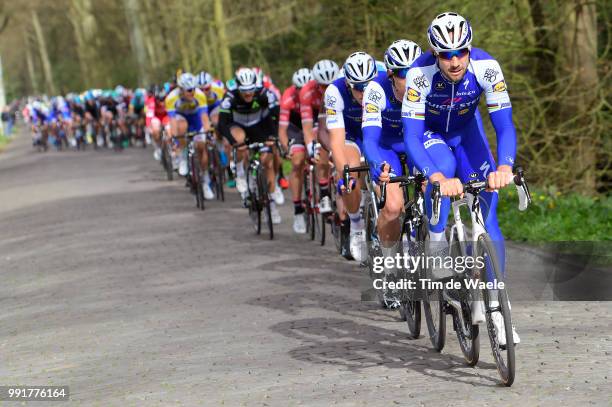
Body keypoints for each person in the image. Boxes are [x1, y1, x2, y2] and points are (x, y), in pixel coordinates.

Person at [402, 12, 519, 345]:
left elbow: (505, 125)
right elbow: (411, 135)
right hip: (430, 135)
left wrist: (505, 166)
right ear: (434, 54)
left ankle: (496, 307)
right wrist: (434, 175)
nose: (454, 61)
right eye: (445, 54)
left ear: (469, 48)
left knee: (488, 217)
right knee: (444, 166)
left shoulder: (487, 67)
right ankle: (436, 238)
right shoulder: (419, 75)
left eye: (460, 52)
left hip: (468, 135)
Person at [361, 39, 422, 306]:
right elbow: (370, 140)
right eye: (402, 73)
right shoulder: (376, 90)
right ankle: (391, 273)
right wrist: (377, 166)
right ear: (390, 74)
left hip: (416, 143)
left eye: (414, 72)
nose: (409, 80)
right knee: (394, 206)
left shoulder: (428, 85)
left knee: (432, 191)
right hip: (386, 147)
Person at [325, 52, 384, 262]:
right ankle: (356, 223)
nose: (365, 92)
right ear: (349, 84)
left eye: (369, 86)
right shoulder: (335, 91)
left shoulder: (386, 76)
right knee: (350, 171)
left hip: (378, 131)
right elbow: (337, 142)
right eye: (359, 88)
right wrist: (344, 175)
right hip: (351, 134)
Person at [217, 67, 282, 224]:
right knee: (239, 140)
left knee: (267, 162)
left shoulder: (264, 94)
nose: (248, 93)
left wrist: (273, 136)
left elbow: (277, 116)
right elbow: (222, 124)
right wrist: (233, 143)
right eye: (244, 90)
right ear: (237, 87)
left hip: (259, 126)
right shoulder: (230, 96)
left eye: (250, 89)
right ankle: (240, 173)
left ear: (256, 85)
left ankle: (271, 204)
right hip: (238, 126)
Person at [299, 59, 340, 218]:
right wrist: (310, 146)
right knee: (320, 150)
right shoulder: (306, 92)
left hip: (333, 117)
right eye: (323, 86)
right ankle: (324, 194)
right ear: (316, 84)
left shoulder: (341, 87)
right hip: (316, 119)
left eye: (330, 84)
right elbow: (307, 125)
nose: (327, 89)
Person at [165, 72, 214, 199]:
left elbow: (204, 117)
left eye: (193, 89)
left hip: (196, 118)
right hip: (181, 117)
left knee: (201, 146)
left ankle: (205, 180)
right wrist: (176, 139)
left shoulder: (200, 95)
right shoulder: (171, 98)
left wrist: (207, 132)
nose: (192, 93)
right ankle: (182, 156)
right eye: (188, 90)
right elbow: (173, 121)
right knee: (181, 126)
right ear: (180, 89)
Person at [278, 67, 312, 233]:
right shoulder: (288, 97)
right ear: (294, 88)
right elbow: (282, 130)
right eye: (299, 88)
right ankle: (298, 209)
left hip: (312, 125)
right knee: (297, 162)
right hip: (295, 129)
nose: (303, 91)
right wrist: (287, 148)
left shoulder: (317, 93)